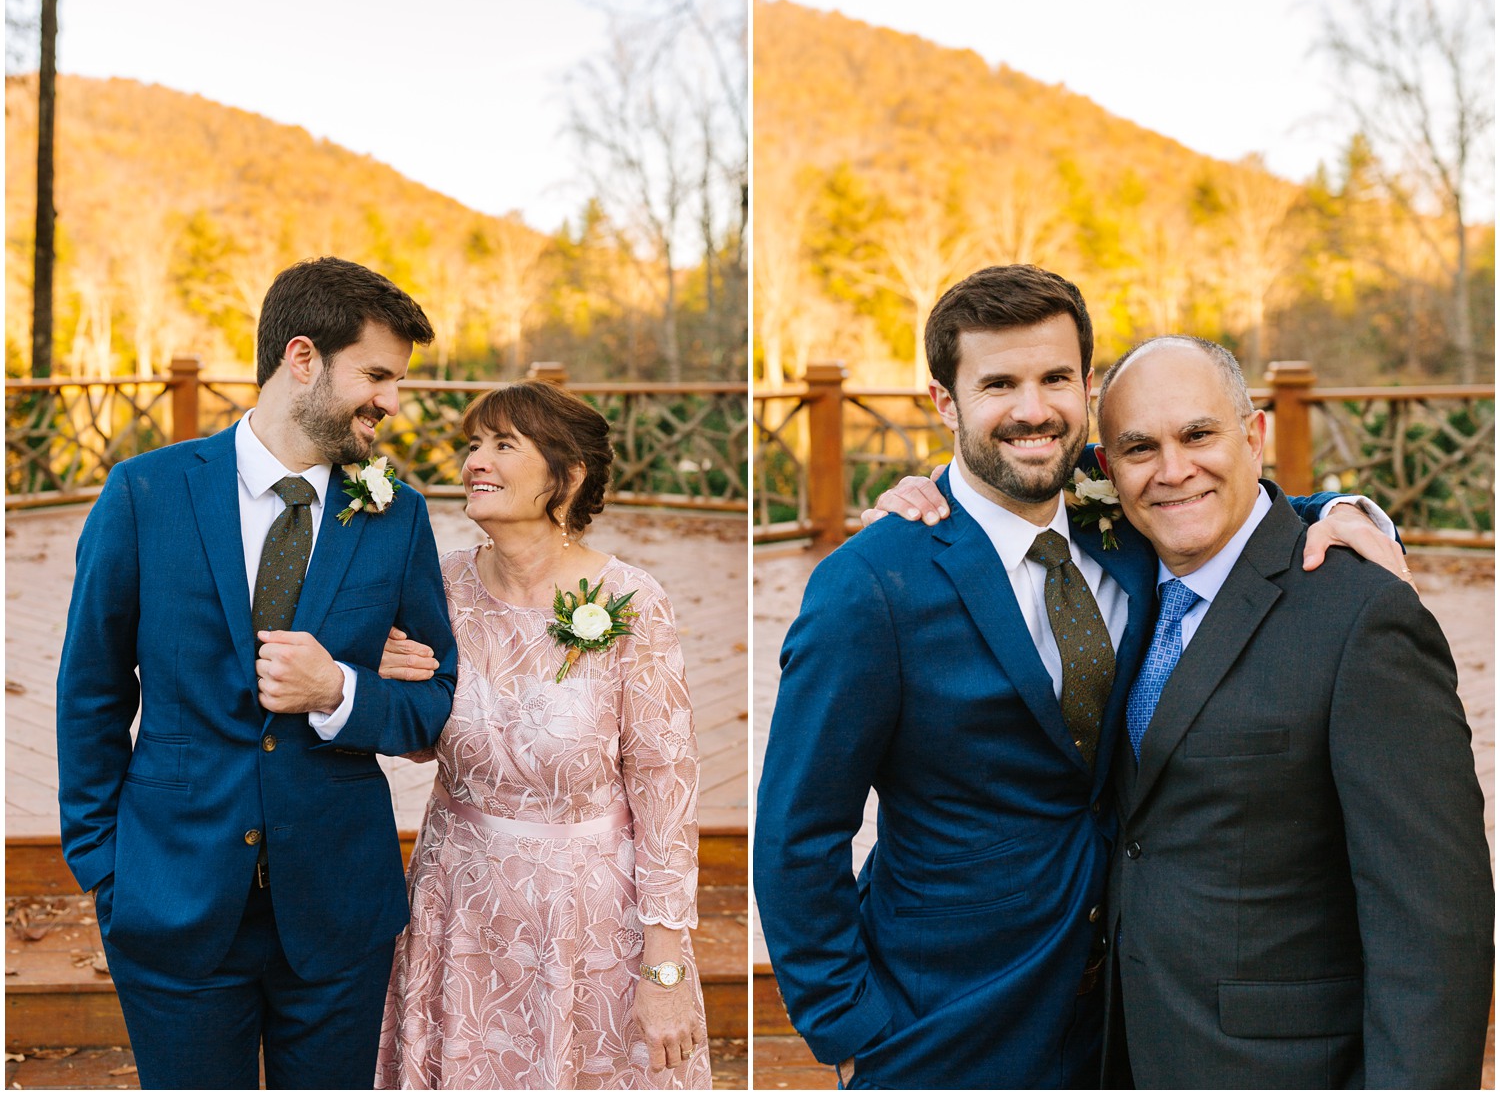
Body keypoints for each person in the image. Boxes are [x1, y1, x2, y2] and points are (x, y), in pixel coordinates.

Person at [753, 264, 1405, 1090]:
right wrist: (852, 1026)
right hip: (941, 1027)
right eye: (999, 384)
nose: (1033, 409)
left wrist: (1343, 511)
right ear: (943, 404)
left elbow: (1225, 501)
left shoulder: (1123, 533)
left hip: (1118, 1025)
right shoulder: (870, 588)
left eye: (1055, 377)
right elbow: (795, 835)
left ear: (1088, 388)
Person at [56, 257, 460, 1089]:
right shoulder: (143, 494)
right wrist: (107, 869)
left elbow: (434, 701)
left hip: (340, 910)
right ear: (303, 358)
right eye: (378, 376)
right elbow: (92, 694)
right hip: (171, 898)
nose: (392, 402)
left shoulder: (397, 513)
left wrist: (342, 693)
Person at [1091, 336, 1493, 1088]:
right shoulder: (1120, 586)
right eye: (1140, 448)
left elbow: (1437, 923)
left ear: (1255, 435)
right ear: (1109, 470)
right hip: (1133, 1055)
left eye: (1199, 434)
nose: (1172, 470)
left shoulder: (1361, 616)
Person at [372, 380, 712, 1090]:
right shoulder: (442, 586)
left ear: (568, 475)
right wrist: (385, 679)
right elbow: (417, 741)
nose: (475, 462)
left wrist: (666, 967)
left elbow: (665, 789)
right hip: (458, 906)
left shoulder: (630, 601)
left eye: (503, 445)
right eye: (472, 445)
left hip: (587, 924)